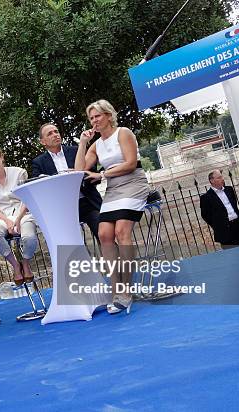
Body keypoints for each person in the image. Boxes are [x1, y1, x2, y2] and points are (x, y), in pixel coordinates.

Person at [75, 99, 150, 315]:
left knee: (121, 232)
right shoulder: (96, 145)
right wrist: (82, 143)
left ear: (108, 115)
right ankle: (116, 289)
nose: (95, 120)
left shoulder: (123, 133)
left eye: (98, 115)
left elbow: (130, 163)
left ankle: (126, 291)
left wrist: (102, 174)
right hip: (113, 189)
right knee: (104, 234)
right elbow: (79, 169)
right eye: (91, 118)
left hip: (134, 183)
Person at [0, 145, 38, 286]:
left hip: (23, 213)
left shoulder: (19, 172)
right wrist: (7, 221)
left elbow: (27, 199)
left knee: (29, 237)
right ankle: (15, 265)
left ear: (2, 157)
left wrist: (17, 219)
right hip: (2, 216)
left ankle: (25, 263)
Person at [31, 123, 102, 238]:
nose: (55, 135)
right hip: (62, 209)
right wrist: (59, 177)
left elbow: (92, 173)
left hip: (87, 201)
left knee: (104, 234)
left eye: (56, 131)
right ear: (43, 142)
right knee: (69, 243)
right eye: (50, 133)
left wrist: (76, 173)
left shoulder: (75, 151)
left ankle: (113, 256)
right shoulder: (38, 162)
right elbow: (38, 185)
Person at [200, 170, 239, 249]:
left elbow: (234, 205)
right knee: (231, 255)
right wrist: (217, 225)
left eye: (222, 177)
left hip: (238, 226)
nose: (222, 179)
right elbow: (205, 215)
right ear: (212, 181)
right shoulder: (206, 197)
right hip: (224, 231)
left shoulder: (229, 190)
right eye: (219, 178)